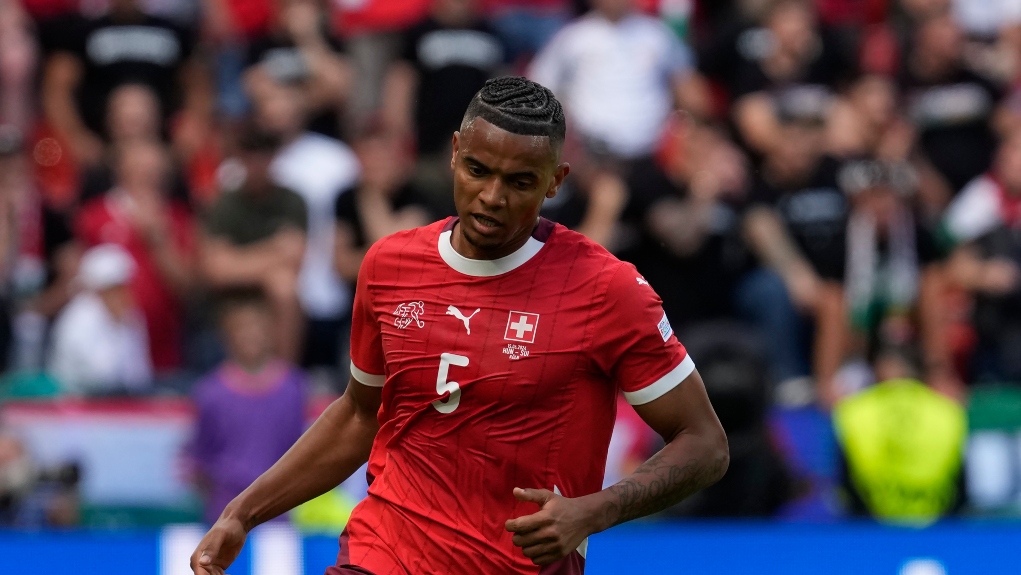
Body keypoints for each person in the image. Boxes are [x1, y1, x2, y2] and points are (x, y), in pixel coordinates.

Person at [191, 77, 728, 575]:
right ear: (453, 153)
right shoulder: (389, 265)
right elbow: (360, 414)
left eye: (520, 182)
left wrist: (596, 510)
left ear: (555, 182)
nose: (492, 196)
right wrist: (242, 513)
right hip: (383, 553)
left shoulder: (605, 289)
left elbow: (705, 443)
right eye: (477, 170)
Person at [252, 76, 360, 378]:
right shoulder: (239, 167)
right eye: (269, 100)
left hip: (327, 297)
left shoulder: (337, 159)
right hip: (263, 305)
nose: (277, 108)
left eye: (284, 98)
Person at [74, 140, 196, 376]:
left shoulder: (178, 218)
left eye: (154, 171)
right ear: (122, 171)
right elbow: (81, 282)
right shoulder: (94, 216)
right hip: (106, 353)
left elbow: (187, 289)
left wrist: (159, 241)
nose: (147, 177)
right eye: (139, 169)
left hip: (164, 351)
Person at [188, 287, 307, 525]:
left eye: (256, 327)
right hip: (224, 512)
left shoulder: (293, 388)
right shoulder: (210, 392)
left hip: (280, 512)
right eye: (240, 328)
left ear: (271, 331)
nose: (249, 336)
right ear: (226, 336)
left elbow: (301, 448)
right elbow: (201, 459)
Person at [198, 126, 307, 363]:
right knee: (278, 279)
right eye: (251, 156)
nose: (257, 164)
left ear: (274, 158)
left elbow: (295, 257)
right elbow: (215, 270)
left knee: (283, 285)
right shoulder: (225, 203)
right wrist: (273, 251)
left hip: (271, 300)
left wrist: (236, 260)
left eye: (264, 156)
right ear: (241, 159)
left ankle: (284, 372)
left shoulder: (292, 201)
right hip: (232, 300)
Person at [47, 243, 152, 395]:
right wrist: (117, 327)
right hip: (75, 400)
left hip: (121, 401)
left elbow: (139, 376)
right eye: (117, 288)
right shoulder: (78, 319)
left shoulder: (131, 316)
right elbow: (101, 377)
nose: (126, 295)